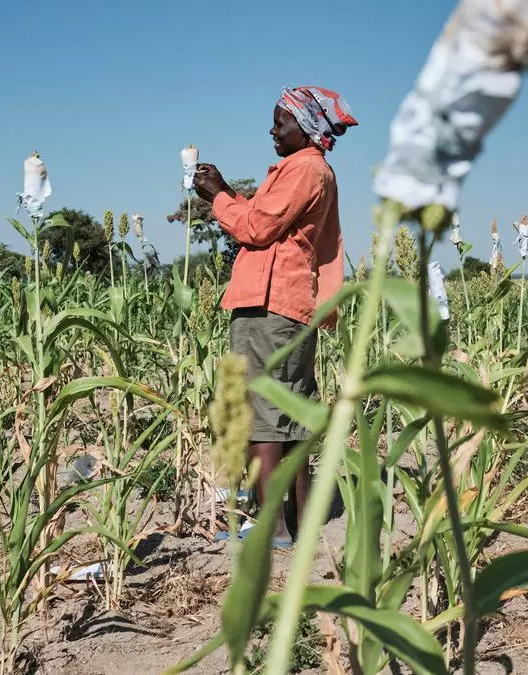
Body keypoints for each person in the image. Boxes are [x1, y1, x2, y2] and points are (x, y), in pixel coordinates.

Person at [193, 86, 357, 549]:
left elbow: (256, 227)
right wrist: (230, 196)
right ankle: (297, 520)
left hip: (271, 306)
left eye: (280, 121)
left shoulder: (304, 169)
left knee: (265, 418)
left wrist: (218, 195)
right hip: (291, 305)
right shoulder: (311, 171)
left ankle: (272, 528)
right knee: (290, 416)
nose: (272, 129)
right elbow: (268, 219)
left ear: (305, 127)